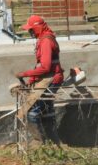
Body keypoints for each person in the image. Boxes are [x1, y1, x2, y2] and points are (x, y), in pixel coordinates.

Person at [15, 15, 64, 145]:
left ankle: (39, 142)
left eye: (31, 29)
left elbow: (46, 67)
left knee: (32, 112)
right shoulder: (42, 38)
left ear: (37, 27)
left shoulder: (46, 41)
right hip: (47, 78)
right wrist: (32, 80)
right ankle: (53, 140)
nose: (29, 32)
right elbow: (39, 65)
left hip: (51, 79)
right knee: (46, 110)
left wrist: (24, 74)